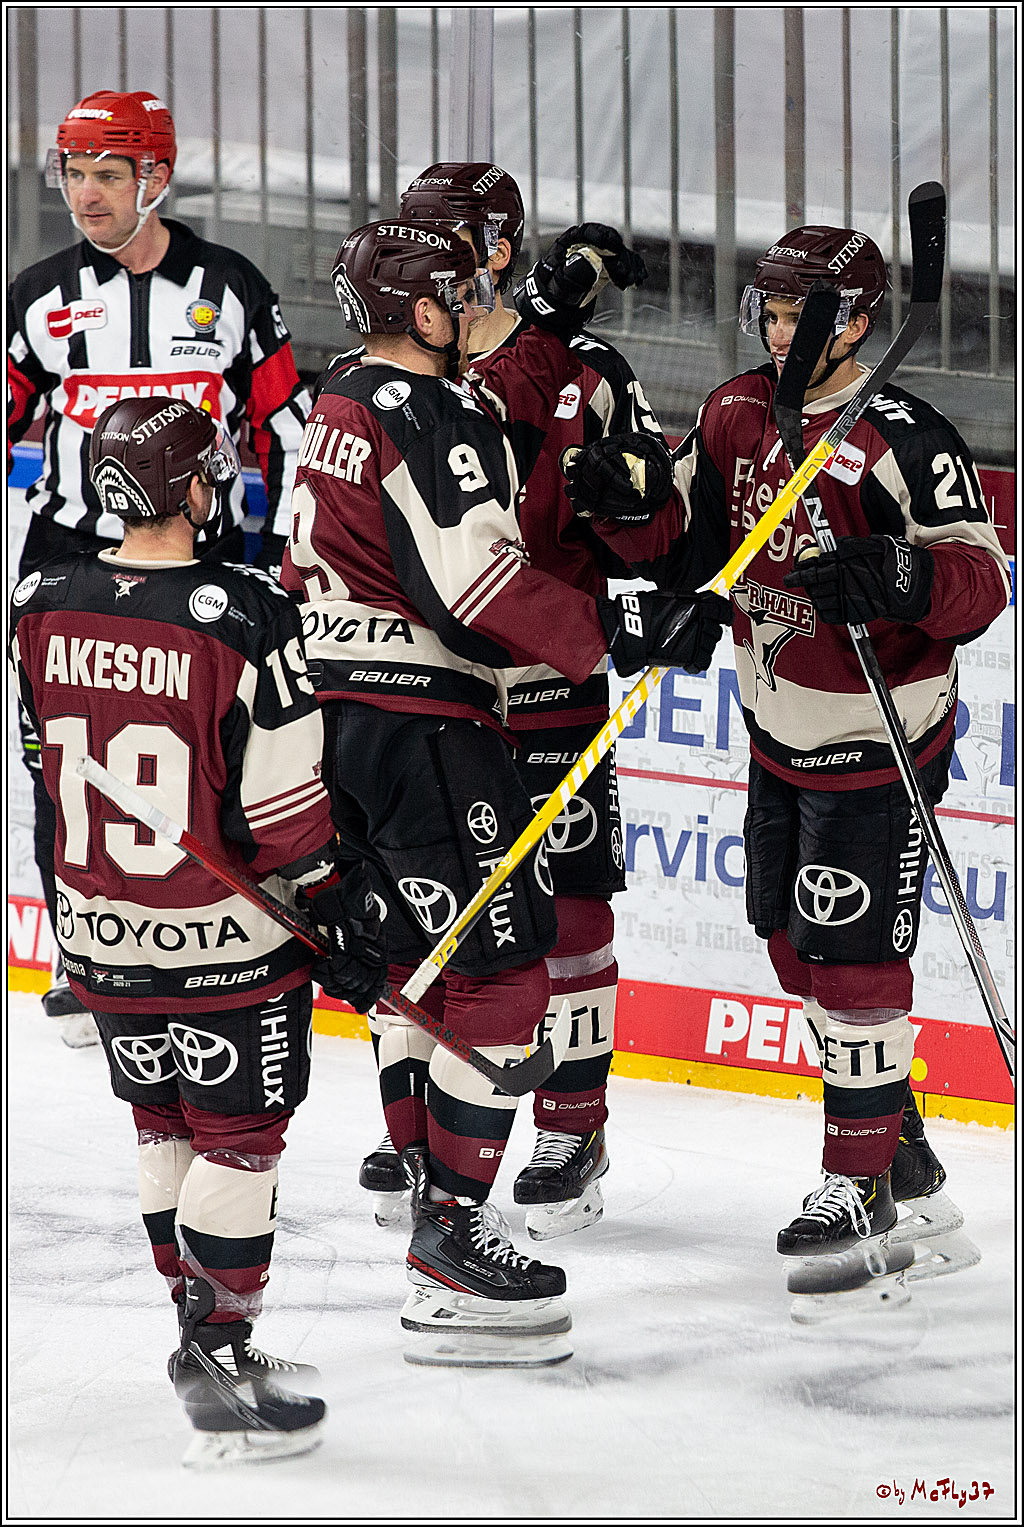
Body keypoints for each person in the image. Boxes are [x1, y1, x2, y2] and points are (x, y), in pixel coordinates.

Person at [281, 217, 730, 1362]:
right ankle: (453, 1245)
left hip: (336, 718)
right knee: (502, 976)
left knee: (417, 964)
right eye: (460, 295)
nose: (474, 307)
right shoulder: (427, 413)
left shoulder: (336, 400)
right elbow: (478, 582)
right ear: (427, 310)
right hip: (426, 722)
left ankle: (430, 1182)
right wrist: (616, 624)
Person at [566, 224, 1010, 1263]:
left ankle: (854, 1187)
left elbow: (979, 580)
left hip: (879, 732)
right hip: (776, 731)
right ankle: (896, 1148)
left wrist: (898, 577)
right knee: (786, 939)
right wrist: (631, 511)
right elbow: (686, 540)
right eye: (764, 312)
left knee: (850, 951)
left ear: (856, 321)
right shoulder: (731, 412)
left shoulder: (905, 434)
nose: (775, 332)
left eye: (793, 313)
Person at [9, 395, 386, 1464]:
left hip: (96, 930)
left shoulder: (37, 597)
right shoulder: (245, 614)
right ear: (189, 486)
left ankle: (197, 1329)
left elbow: (46, 760)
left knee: (164, 1126)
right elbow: (279, 817)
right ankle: (218, 1352)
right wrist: (336, 912)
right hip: (225, 936)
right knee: (238, 1138)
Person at [351, 162, 683, 1241]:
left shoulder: (586, 368)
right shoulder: (398, 372)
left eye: (454, 237)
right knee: (418, 912)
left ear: (494, 249)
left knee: (573, 906)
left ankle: (569, 1122)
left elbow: (664, 536)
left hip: (547, 679)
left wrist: (634, 507)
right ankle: (430, 1125)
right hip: (437, 687)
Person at [7, 88, 311, 1039]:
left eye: (107, 174)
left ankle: (213, 927)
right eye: (73, 173)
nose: (85, 195)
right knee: (59, 762)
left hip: (201, 559)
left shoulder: (232, 288)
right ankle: (83, 942)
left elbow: (286, 427)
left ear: (158, 177)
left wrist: (290, 554)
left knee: (212, 755)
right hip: (68, 556)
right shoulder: (37, 297)